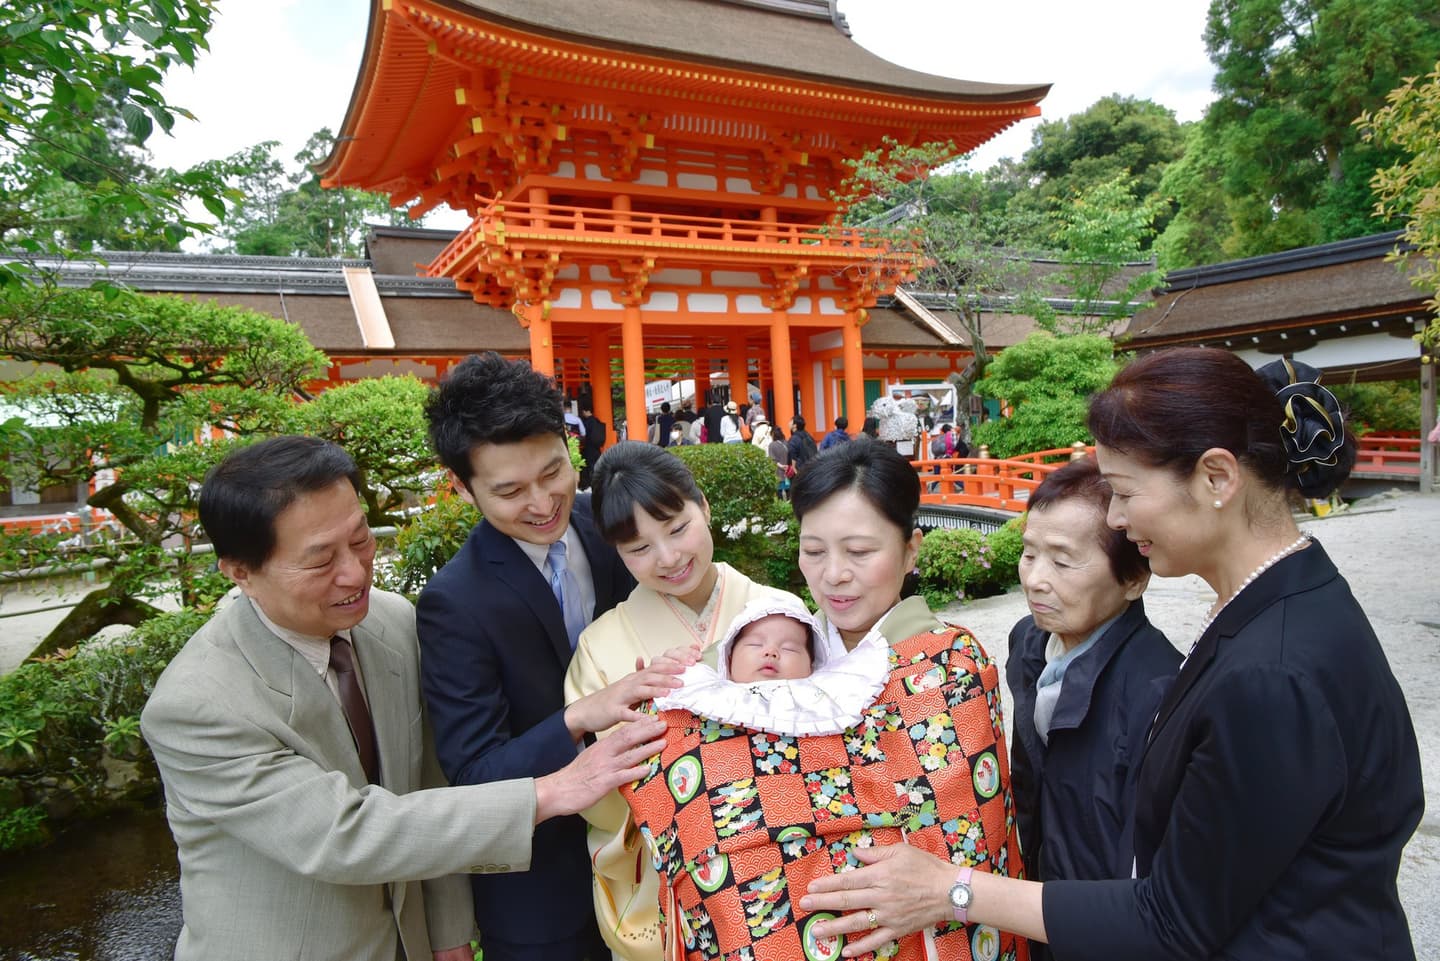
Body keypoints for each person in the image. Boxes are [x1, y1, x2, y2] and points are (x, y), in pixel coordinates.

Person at [801, 349, 1424, 961]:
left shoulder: (1272, 672)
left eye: (1124, 492)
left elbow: (1172, 921)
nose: (1118, 519)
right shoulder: (1283, 606)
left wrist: (951, 891)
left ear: (1217, 478)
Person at [140, 436, 668, 961]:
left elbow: (426, 781)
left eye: (361, 539)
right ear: (239, 572)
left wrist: (448, 931)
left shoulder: (390, 622)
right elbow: (344, 832)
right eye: (320, 561)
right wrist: (554, 791)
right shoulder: (196, 706)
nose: (354, 573)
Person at [622, 441, 1029, 961]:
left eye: (859, 552)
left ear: (910, 551)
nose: (833, 574)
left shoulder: (952, 664)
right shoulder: (754, 664)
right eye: (813, 551)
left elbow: (968, 827)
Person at [417, 352, 648, 961]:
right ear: (463, 488)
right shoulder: (453, 602)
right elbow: (472, 775)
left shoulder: (615, 529)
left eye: (554, 472)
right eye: (510, 491)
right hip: (546, 897)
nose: (545, 502)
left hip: (659, 860)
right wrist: (577, 719)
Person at [562, 441, 793, 961]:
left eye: (677, 528)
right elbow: (599, 801)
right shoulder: (601, 647)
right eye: (639, 548)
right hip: (677, 883)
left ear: (704, 507)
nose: (667, 558)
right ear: (616, 552)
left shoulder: (780, 611)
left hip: (789, 861)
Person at [1007, 457, 1179, 961]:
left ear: (1134, 580)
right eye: (1028, 553)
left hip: (1108, 932)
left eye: (1062, 562)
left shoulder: (1160, 689)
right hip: (1036, 911)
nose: (1035, 579)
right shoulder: (1028, 642)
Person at [579, 403, 606, 490]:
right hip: (597, 448)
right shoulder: (597, 421)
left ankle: (591, 485)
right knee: (597, 465)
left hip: (589, 448)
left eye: (583, 411)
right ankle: (599, 484)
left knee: (590, 467)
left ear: (587, 411)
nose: (583, 413)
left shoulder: (586, 422)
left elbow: (583, 434)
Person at [766, 423, 791, 498]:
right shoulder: (787, 443)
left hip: (778, 473)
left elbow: (772, 460)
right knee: (788, 492)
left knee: (779, 493)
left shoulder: (772, 445)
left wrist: (781, 466)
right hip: (788, 472)